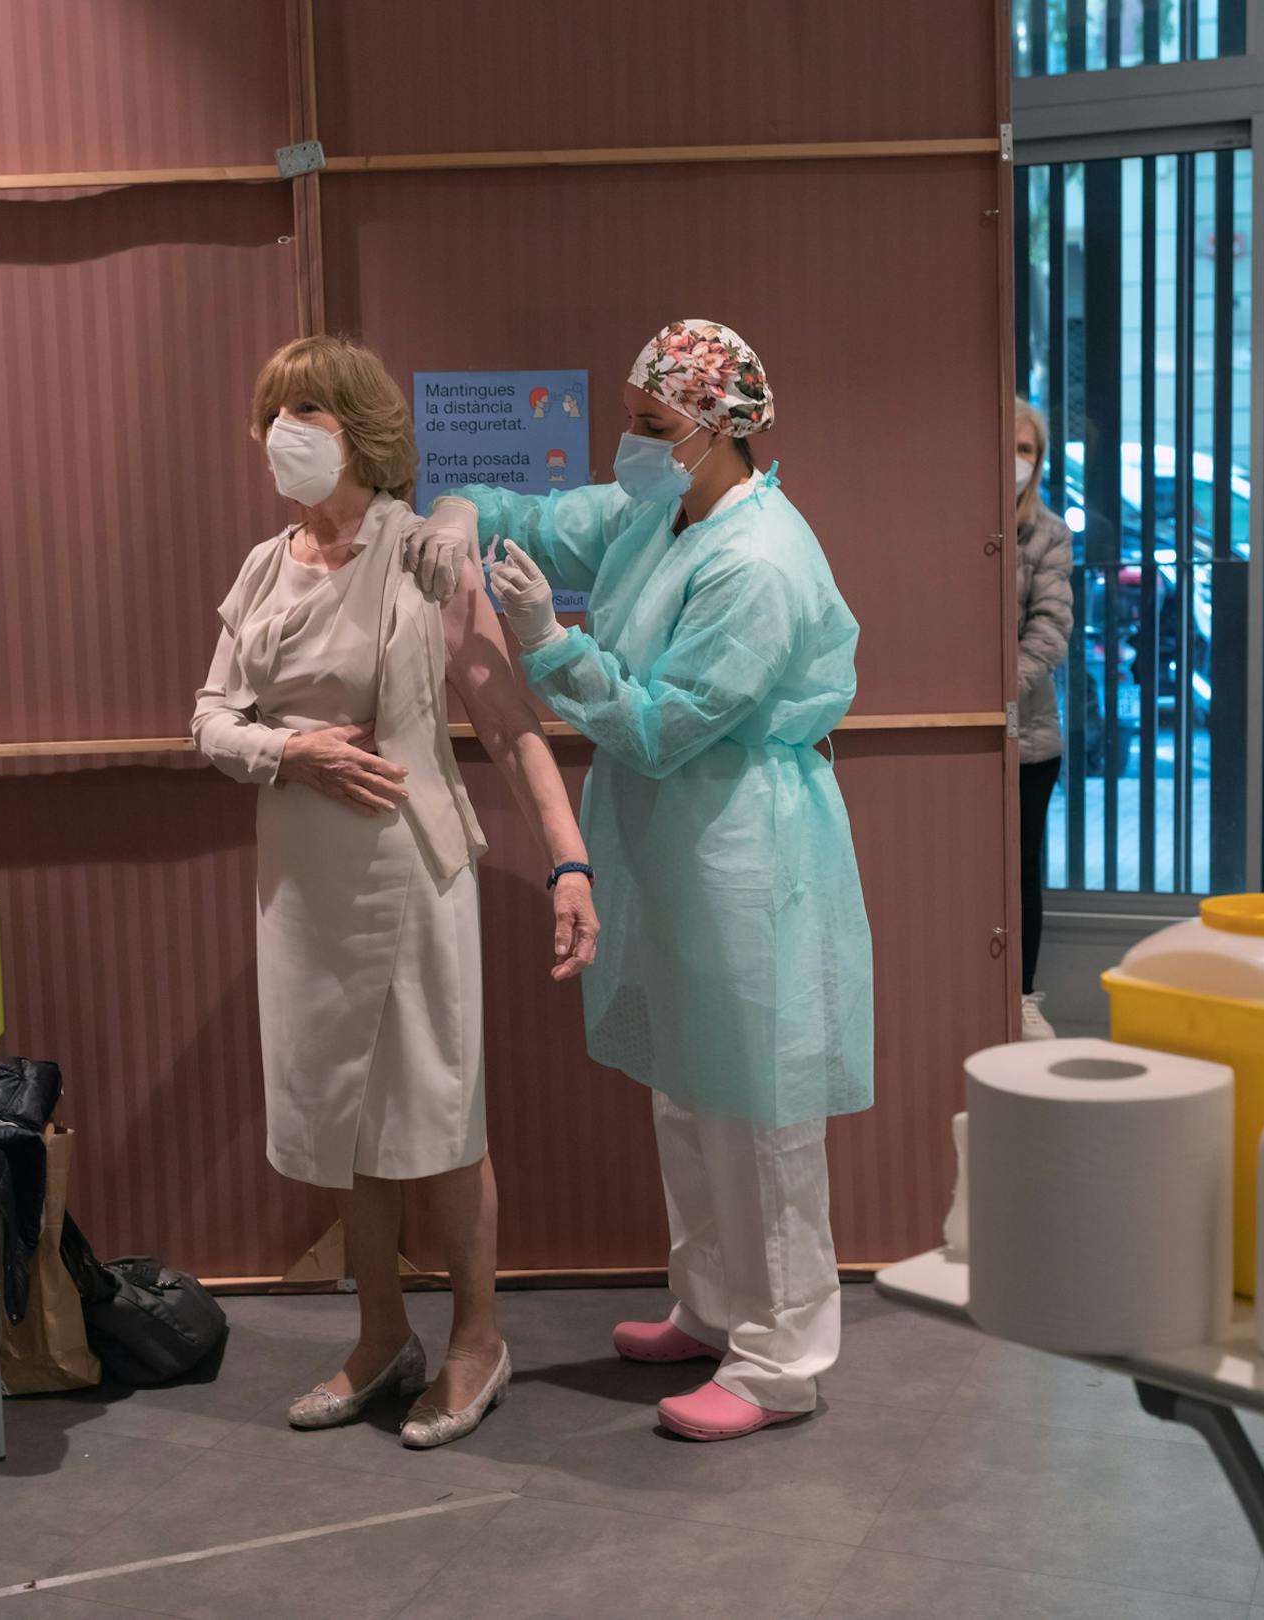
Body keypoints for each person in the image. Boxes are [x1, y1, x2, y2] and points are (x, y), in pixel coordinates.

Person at [405, 320, 871, 1442]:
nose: (629, 441)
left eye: (653, 425)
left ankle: (779, 1359)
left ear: (722, 431)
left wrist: (549, 643)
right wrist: (464, 508)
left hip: (748, 844)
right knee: (689, 1084)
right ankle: (712, 1306)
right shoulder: (665, 511)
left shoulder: (757, 560)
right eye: (631, 415)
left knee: (758, 1107)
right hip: (676, 845)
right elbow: (548, 516)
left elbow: (662, 727)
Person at [192, 335, 599, 1449]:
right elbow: (210, 719)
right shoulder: (263, 567)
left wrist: (570, 864)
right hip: (302, 887)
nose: (287, 430)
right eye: (276, 409)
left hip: (411, 875)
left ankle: (477, 1339)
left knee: (436, 1112)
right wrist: (293, 753)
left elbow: (510, 727)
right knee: (339, 1118)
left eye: (310, 409)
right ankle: (382, 1337)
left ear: (360, 428)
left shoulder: (423, 558)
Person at [1013, 399, 1073, 1041]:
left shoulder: (1048, 532)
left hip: (1029, 740)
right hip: (971, 733)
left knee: (1021, 870)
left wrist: (997, 692)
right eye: (1009, 445)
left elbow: (1051, 630)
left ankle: (1024, 996)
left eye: (1027, 450)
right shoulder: (958, 526)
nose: (1017, 461)